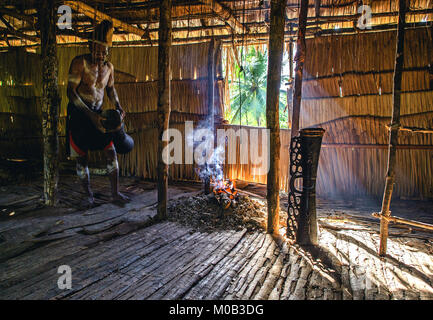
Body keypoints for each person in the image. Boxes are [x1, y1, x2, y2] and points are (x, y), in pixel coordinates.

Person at [66, 20, 129, 207]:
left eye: (104, 51)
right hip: (79, 114)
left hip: (98, 113)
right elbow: (70, 92)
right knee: (81, 156)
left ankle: (115, 193)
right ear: (90, 46)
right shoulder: (79, 63)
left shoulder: (109, 68)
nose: (101, 55)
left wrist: (118, 105)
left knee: (111, 151)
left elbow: (110, 89)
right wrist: (89, 115)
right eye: (98, 50)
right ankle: (87, 195)